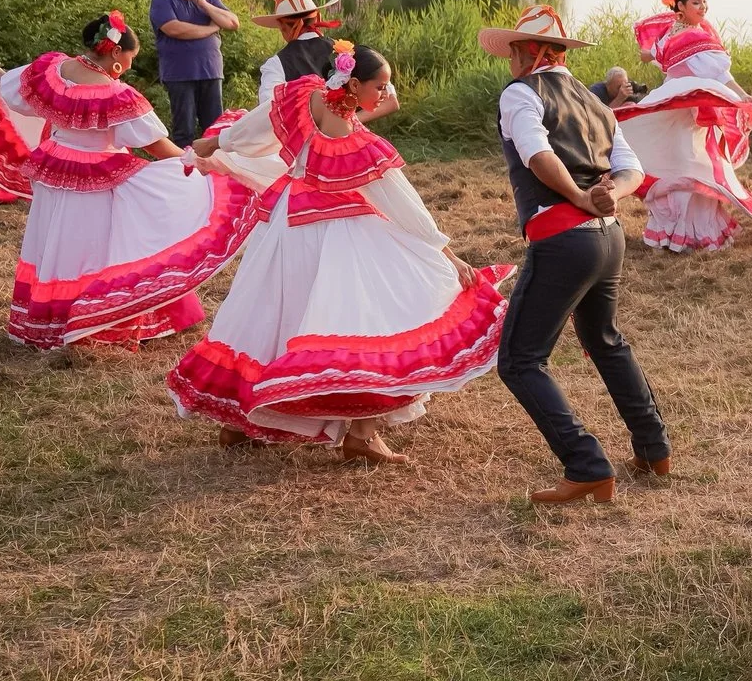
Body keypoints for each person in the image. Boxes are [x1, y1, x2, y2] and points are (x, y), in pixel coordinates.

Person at [171, 44, 513, 461]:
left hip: (287, 223)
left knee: (273, 314)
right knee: (371, 320)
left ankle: (240, 422)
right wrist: (446, 253)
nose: (386, 95)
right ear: (352, 83)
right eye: (381, 86)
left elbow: (258, 126)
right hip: (338, 230)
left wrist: (216, 142)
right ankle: (362, 433)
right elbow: (400, 202)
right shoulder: (353, 140)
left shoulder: (304, 95)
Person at [0, 13, 251, 347]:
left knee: (56, 244)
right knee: (93, 249)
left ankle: (50, 318)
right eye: (130, 57)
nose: (130, 63)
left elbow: (15, 84)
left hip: (54, 165)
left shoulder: (52, 70)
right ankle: (94, 320)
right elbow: (154, 144)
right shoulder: (115, 95)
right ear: (114, 53)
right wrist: (196, 162)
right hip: (93, 178)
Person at [483, 4, 676, 504]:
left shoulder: (521, 94)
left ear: (528, 54)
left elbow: (537, 154)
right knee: (605, 340)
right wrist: (609, 194)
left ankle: (586, 464)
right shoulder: (597, 105)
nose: (509, 62)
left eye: (512, 53)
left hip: (564, 237)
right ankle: (654, 447)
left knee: (520, 360)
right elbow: (632, 169)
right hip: (609, 238)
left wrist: (577, 196)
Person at [599, 0, 752, 252]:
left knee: (693, 164)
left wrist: (740, 94)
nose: (703, 7)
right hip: (676, 106)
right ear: (681, 7)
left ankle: (692, 233)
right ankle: (678, 232)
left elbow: (718, 74)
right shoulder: (684, 32)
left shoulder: (687, 32)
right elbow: (651, 56)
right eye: (696, 3)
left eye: (705, 1)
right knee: (677, 163)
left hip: (692, 110)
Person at [149, 0, 240, 147]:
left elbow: (232, 22)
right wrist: (211, 29)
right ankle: (185, 174)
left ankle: (213, 173)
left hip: (211, 71)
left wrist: (204, 5)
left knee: (215, 129)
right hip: (180, 75)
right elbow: (174, 29)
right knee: (185, 132)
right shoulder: (161, 0)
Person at [251, 0, 343, 97]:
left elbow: (269, 108)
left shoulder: (276, 64)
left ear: (282, 26)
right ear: (317, 17)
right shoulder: (344, 50)